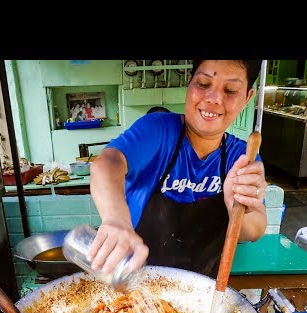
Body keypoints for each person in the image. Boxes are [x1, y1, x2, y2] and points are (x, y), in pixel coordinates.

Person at [88, 60, 267, 278]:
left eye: (230, 90)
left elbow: (255, 229)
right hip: (134, 284)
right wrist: (116, 220)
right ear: (189, 84)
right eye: (202, 84)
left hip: (201, 291)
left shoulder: (242, 157)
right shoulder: (158, 130)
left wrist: (236, 209)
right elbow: (107, 164)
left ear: (247, 98)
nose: (214, 99)